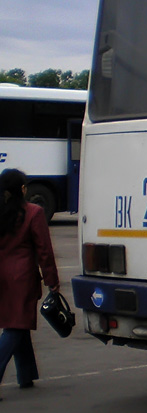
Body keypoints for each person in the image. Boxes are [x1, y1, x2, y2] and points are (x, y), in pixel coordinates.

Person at [0, 169, 61, 400]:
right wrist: (52, 280)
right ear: (22, 189)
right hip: (21, 277)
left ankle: (26, 374)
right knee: (15, 326)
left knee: (17, 323)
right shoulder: (33, 213)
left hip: (2, 276)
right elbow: (44, 250)